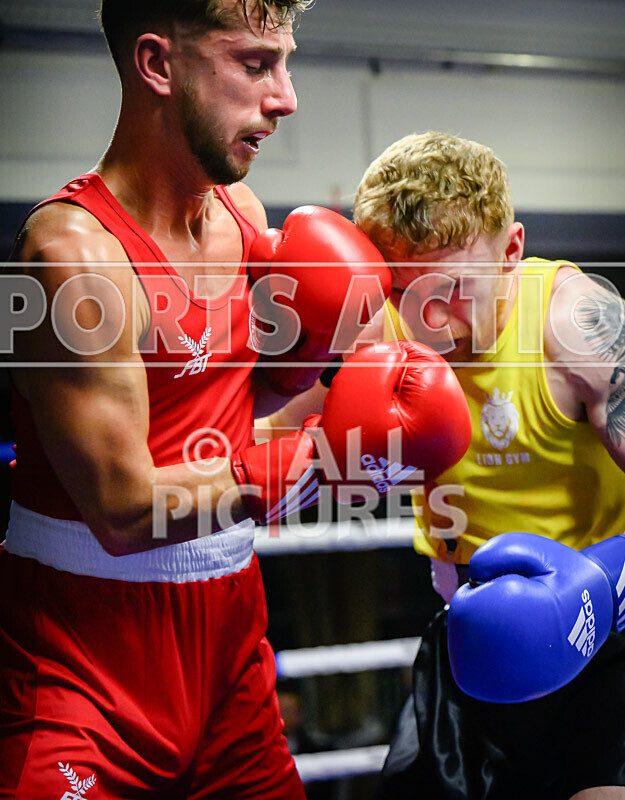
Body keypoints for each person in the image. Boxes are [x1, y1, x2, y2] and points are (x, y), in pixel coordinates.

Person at [0, 2, 474, 795]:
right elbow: (122, 511)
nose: (285, 97)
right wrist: (324, 459)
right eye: (255, 64)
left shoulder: (240, 215)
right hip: (83, 665)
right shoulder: (74, 256)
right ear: (158, 65)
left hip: (231, 653)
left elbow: (225, 412)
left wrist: (311, 374)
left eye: (283, 64)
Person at [260, 130, 625, 799]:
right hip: (467, 645)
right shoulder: (375, 326)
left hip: (604, 650)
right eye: (404, 288)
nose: (428, 318)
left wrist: (606, 587)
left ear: (511, 252)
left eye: (453, 287)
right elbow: (265, 436)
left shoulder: (576, 328)